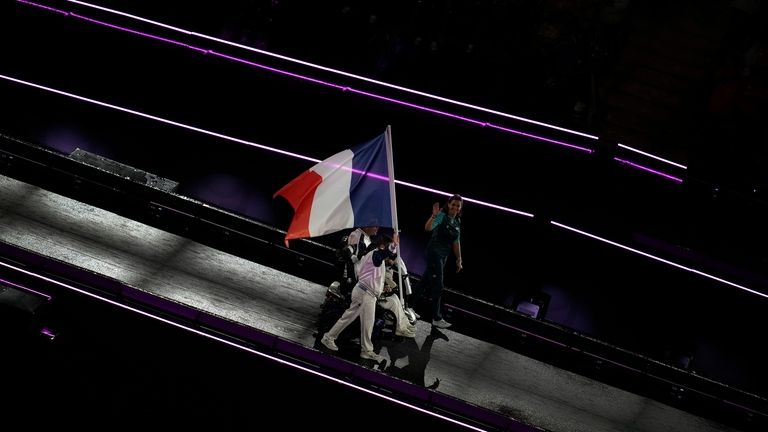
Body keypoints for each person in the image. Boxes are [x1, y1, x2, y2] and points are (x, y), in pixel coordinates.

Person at [321, 233, 398, 362]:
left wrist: (394, 247)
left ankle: (332, 338)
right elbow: (382, 256)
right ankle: (364, 350)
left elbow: (380, 267)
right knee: (364, 323)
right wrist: (393, 246)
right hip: (365, 293)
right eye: (388, 246)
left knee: (355, 320)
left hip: (365, 292)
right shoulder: (375, 255)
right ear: (382, 246)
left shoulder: (374, 256)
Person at [411, 194, 463, 329]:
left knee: (424, 282)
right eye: (453, 204)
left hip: (443, 256)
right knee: (439, 285)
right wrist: (433, 216)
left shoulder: (457, 222)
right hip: (434, 252)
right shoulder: (442, 215)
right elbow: (427, 228)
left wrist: (459, 259)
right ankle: (436, 317)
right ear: (449, 204)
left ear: (460, 208)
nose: (455, 207)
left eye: (458, 205)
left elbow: (456, 242)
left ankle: (407, 306)